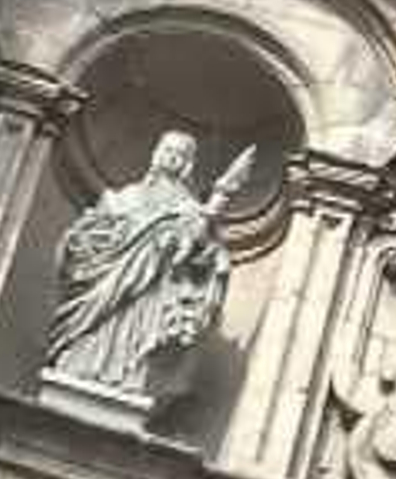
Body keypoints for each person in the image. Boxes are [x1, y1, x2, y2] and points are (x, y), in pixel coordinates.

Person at [46, 130, 249, 402]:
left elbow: (200, 255)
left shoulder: (188, 208)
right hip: (105, 285)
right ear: (155, 153)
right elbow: (91, 234)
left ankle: (129, 374)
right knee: (92, 337)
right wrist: (91, 236)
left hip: (148, 297)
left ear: (188, 164)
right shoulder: (126, 196)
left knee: (133, 338)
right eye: (167, 150)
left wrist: (190, 240)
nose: (171, 158)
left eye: (179, 154)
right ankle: (82, 362)